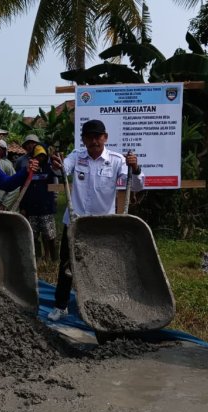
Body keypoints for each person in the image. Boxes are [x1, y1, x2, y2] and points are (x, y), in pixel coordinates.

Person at [47, 119, 144, 321]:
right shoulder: (77, 156)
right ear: (83, 139)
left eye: (97, 136)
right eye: (89, 137)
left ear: (105, 137)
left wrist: (135, 168)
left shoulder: (117, 160)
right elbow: (62, 170)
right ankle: (61, 305)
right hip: (75, 222)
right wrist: (56, 164)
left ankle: (101, 307)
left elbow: (135, 186)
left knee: (100, 266)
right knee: (67, 266)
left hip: (102, 226)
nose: (94, 141)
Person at [19, 145, 58, 262]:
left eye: (43, 156)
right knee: (33, 235)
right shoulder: (28, 170)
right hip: (32, 209)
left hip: (46, 209)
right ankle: (36, 258)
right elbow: (23, 189)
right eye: (38, 156)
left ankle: (54, 258)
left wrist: (53, 203)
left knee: (50, 235)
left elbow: (56, 187)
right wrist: (23, 207)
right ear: (33, 156)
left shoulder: (50, 170)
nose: (40, 158)